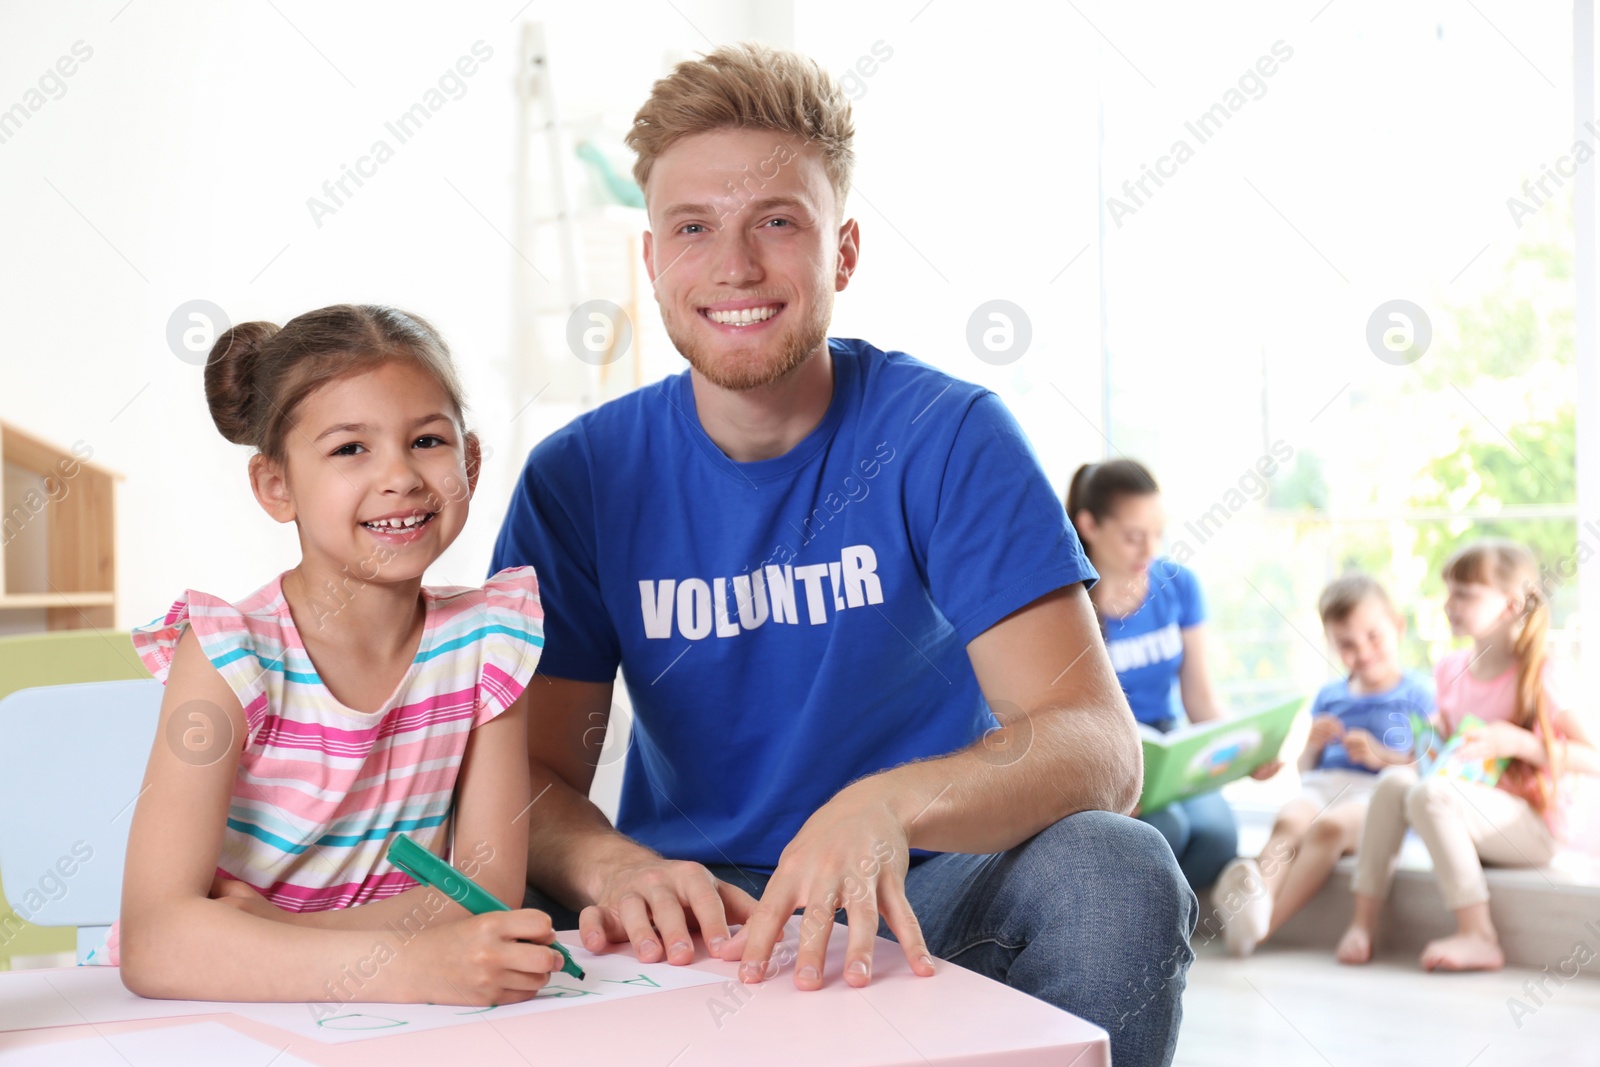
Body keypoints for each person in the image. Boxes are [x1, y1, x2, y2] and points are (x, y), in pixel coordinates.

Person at [490, 43, 1194, 1067]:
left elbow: (1098, 744)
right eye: (693, 228)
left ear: (844, 252)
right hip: (688, 903)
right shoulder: (579, 477)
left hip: (914, 885)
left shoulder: (948, 434)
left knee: (1115, 868)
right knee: (466, 872)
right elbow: (530, 776)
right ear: (652, 261)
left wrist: (885, 803)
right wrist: (609, 864)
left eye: (777, 222)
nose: (734, 266)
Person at [113, 305, 563, 1007]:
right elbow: (156, 942)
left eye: (427, 440)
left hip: (390, 1024)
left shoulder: (489, 643)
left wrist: (280, 931)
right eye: (351, 448)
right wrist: (409, 964)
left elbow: (483, 899)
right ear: (276, 486)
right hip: (217, 1016)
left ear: (469, 462)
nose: (401, 477)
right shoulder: (230, 654)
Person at [1336, 538, 1600, 971]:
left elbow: (1593, 758)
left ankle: (1479, 935)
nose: (1449, 604)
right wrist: (1385, 753)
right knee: (1395, 783)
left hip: (1531, 828)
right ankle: (1363, 922)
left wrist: (1519, 743)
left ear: (1511, 605)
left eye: (1465, 594)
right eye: (1449, 592)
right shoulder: (1449, 670)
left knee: (1430, 794)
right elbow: (1433, 750)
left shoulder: (1541, 673)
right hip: (1469, 814)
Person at [1066, 459, 1281, 892]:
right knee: (1166, 831)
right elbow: (1067, 719)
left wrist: (1248, 752)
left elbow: (1200, 699)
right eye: (1133, 537)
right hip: (1108, 757)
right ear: (1088, 525)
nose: (1150, 551)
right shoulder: (1067, 606)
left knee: (1219, 837)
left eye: (1157, 534)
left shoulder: (1179, 585)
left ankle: (1169, 915)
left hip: (1169, 748)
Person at [1214, 572, 1433, 956]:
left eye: (1373, 637)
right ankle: (1253, 902)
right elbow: (1306, 771)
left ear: (1398, 627)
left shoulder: (1416, 692)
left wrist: (1381, 756)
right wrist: (1311, 744)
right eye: (1346, 645)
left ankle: (1260, 929)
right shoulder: (1330, 696)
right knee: (1290, 821)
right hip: (1324, 785)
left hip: (1377, 797)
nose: (1362, 652)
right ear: (1331, 645)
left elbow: (1425, 766)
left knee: (1327, 829)